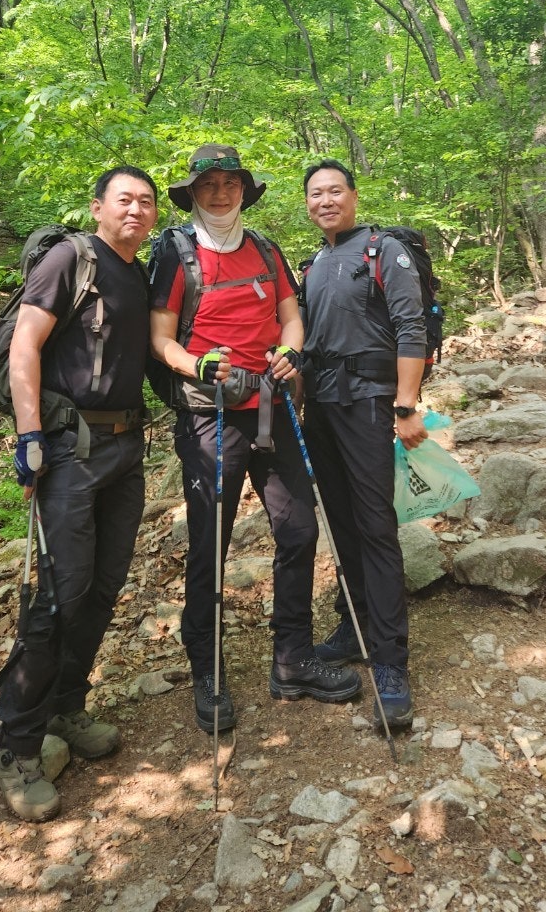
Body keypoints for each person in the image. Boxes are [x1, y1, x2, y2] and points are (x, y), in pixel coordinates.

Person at [149, 144, 361, 734]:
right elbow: (160, 338)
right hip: (210, 416)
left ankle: (292, 659)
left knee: (299, 531)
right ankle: (208, 668)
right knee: (209, 543)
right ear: (193, 193)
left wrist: (291, 352)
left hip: (273, 406)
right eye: (208, 185)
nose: (220, 194)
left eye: (230, 183)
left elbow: (291, 317)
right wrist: (197, 366)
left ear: (244, 189)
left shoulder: (266, 249)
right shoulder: (176, 251)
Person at [0, 166, 159, 822]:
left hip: (126, 450)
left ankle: (66, 705)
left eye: (146, 202)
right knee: (59, 595)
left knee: (104, 586)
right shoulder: (71, 259)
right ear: (98, 207)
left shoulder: (139, 274)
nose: (136, 210)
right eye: (125, 200)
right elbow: (25, 345)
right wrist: (29, 435)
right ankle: (16, 742)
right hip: (68, 451)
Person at [299, 159, 428, 731]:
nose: (325, 200)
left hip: (371, 403)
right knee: (342, 523)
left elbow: (411, 327)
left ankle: (391, 662)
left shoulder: (384, 251)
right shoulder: (313, 264)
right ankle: (356, 628)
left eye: (334, 191)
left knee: (375, 526)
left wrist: (405, 405)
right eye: (315, 194)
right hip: (322, 407)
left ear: (353, 196)